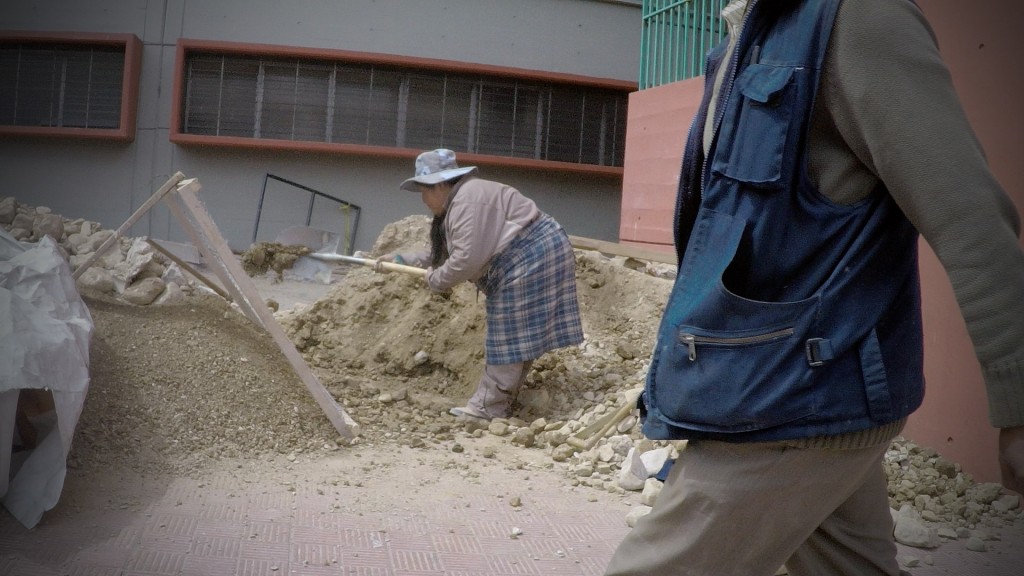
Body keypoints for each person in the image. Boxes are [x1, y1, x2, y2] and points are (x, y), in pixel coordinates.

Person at [604, 1, 1024, 575]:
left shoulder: (860, 21)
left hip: (791, 403)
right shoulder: (754, 30)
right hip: (780, 389)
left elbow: (971, 220)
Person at [380, 148, 584, 421]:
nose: (423, 199)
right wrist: (403, 258)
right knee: (517, 334)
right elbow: (447, 251)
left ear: (440, 184)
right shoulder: (461, 200)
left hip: (530, 257)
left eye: (424, 191)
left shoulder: (467, 202)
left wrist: (436, 280)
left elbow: (466, 260)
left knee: (508, 332)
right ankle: (500, 401)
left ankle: (486, 408)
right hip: (539, 252)